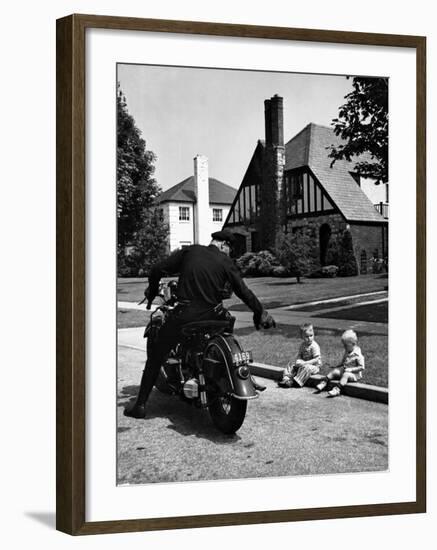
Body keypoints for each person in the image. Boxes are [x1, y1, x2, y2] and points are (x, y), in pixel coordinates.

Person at [124, 230, 276, 418]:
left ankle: (140, 406)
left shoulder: (191, 252)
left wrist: (153, 289)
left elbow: (156, 269)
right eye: (229, 249)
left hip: (186, 316)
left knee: (155, 356)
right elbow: (243, 291)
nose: (228, 254)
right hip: (215, 316)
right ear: (223, 244)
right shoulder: (225, 262)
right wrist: (259, 312)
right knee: (227, 324)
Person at [315, 329, 365, 397]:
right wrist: (338, 366)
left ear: (353, 344)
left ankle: (337, 389)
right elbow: (343, 362)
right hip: (345, 369)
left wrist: (351, 370)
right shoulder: (347, 351)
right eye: (344, 345)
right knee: (335, 371)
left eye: (346, 345)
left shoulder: (358, 355)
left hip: (354, 375)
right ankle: (324, 382)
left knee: (346, 375)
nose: (344, 347)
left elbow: (362, 367)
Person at [278, 323, 322, 388]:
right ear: (302, 337)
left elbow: (316, 359)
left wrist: (305, 363)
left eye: (311, 335)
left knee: (307, 368)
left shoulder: (314, 346)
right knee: (291, 363)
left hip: (314, 366)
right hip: (304, 364)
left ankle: (296, 382)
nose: (309, 338)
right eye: (307, 336)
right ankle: (286, 378)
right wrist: (298, 360)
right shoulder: (302, 345)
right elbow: (299, 355)